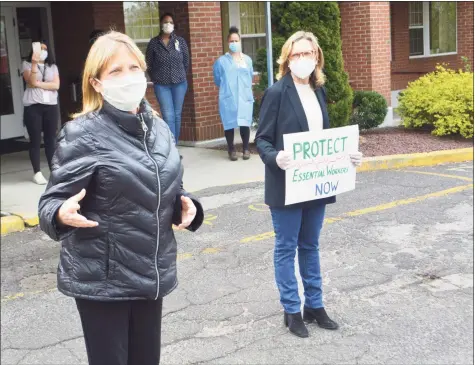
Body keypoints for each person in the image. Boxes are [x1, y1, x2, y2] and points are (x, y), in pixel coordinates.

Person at [38, 31, 204, 365]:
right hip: (103, 281)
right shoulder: (82, 134)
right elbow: (50, 202)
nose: (128, 77)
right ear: (97, 83)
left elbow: (169, 186)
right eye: (115, 71)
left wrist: (189, 207)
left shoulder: (158, 128)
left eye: (133, 68)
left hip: (149, 273)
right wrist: (59, 213)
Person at [255, 31, 363, 338]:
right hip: (286, 184)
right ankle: (292, 310)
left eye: (307, 54)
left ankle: (314, 305)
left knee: (310, 245)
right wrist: (275, 158)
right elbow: (261, 139)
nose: (302, 59)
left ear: (317, 57)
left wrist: (346, 157)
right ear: (287, 59)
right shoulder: (277, 93)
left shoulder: (318, 92)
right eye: (296, 54)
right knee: (286, 247)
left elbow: (323, 140)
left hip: (315, 184)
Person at [146, 13, 189, 144]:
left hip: (179, 84)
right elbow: (149, 63)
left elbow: (186, 61)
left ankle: (174, 146)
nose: (168, 24)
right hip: (162, 85)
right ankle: (171, 147)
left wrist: (181, 74)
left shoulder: (180, 41)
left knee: (176, 115)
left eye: (170, 22)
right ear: (161, 24)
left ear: (173, 25)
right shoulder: (154, 43)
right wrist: (156, 78)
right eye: (165, 22)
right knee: (168, 115)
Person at [213, 26, 254, 161]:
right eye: (232, 41)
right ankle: (231, 149)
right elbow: (217, 79)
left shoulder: (247, 60)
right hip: (228, 97)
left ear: (240, 42)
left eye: (236, 41)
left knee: (245, 122)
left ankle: (246, 148)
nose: (234, 43)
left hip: (244, 96)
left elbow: (250, 75)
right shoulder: (221, 62)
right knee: (229, 122)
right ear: (227, 42)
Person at [21, 41, 60, 185]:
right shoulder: (26, 64)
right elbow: (30, 82)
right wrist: (33, 64)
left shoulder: (52, 67)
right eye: (40, 49)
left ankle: (54, 170)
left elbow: (56, 85)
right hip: (33, 106)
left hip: (50, 105)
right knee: (35, 140)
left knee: (51, 139)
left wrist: (38, 84)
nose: (43, 51)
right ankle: (37, 172)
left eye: (45, 49)